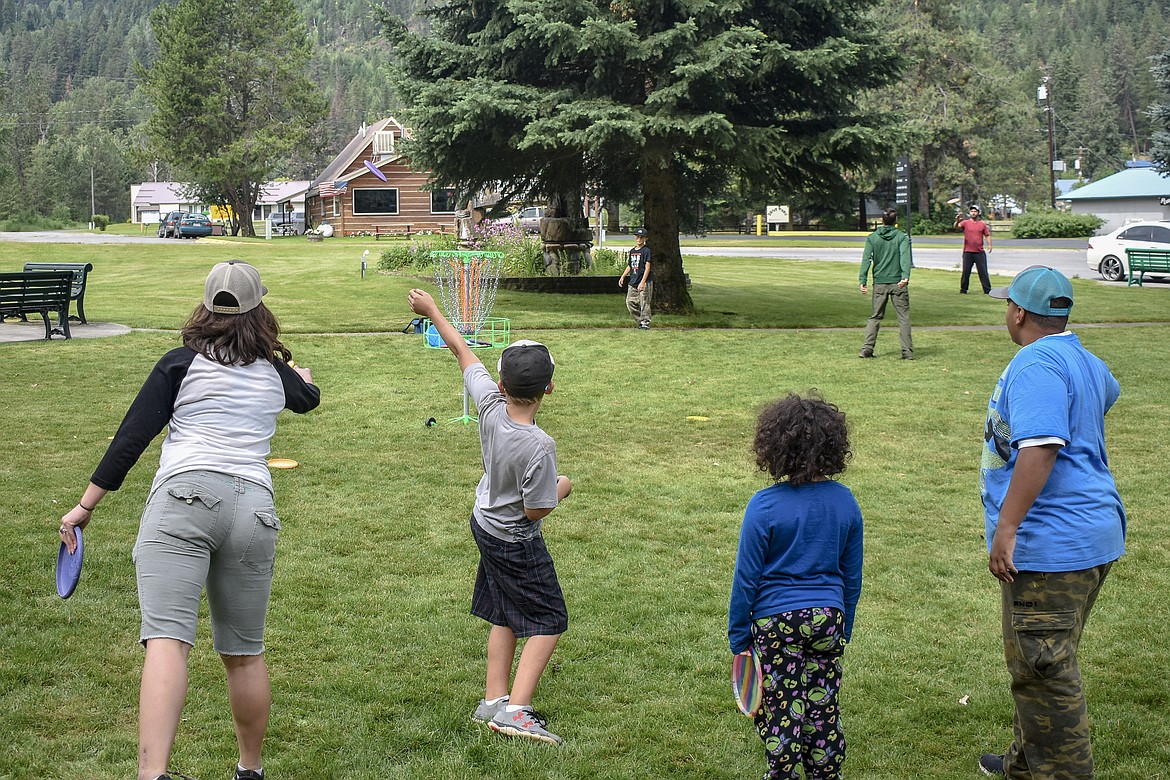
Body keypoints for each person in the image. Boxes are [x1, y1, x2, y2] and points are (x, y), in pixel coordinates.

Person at [58, 261, 321, 780]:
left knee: (167, 641)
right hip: (254, 512)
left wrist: (85, 507)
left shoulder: (180, 364)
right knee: (245, 653)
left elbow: (130, 440)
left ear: (206, 307)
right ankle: (250, 770)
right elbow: (308, 399)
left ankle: (152, 775)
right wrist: (300, 377)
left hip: (182, 499)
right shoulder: (276, 372)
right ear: (259, 308)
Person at [407, 288, 573, 745]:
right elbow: (536, 507)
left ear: (500, 386)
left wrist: (432, 310)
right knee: (548, 618)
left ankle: (494, 699)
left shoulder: (488, 406)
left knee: (505, 608)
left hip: (483, 523)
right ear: (549, 389)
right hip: (515, 538)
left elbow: (462, 349)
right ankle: (517, 711)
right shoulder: (540, 446)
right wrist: (563, 488)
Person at [977, 266, 1125, 778]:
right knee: (1040, 661)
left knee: (1045, 673)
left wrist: (1007, 528)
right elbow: (1109, 391)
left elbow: (1039, 449)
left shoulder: (1036, 363)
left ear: (1017, 312)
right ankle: (1023, 764)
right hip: (1091, 536)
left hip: (1051, 547)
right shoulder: (1079, 356)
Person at [728, 393, 864, 780]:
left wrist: (739, 638)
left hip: (775, 622)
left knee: (783, 706)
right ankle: (825, 771)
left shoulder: (764, 506)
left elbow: (746, 579)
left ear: (773, 448)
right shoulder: (845, 502)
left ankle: (783, 770)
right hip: (828, 618)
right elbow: (851, 575)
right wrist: (845, 625)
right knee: (823, 705)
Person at [858, 208, 913, 359]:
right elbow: (904, 257)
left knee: (875, 317)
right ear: (895, 221)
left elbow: (866, 259)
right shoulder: (901, 237)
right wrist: (905, 276)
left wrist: (863, 279)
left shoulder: (872, 238)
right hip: (898, 283)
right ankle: (907, 352)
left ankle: (867, 349)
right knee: (903, 318)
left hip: (880, 283)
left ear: (882, 220)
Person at [618, 227, 652, 329]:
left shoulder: (646, 251)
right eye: (637, 236)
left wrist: (643, 282)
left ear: (646, 239)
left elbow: (647, 267)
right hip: (633, 280)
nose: (639, 239)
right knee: (629, 302)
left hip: (644, 281)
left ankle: (645, 323)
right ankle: (640, 321)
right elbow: (630, 266)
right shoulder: (632, 251)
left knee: (644, 302)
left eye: (642, 237)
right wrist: (623, 276)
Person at [955, 204, 993, 294]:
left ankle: (987, 290)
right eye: (972, 211)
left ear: (978, 213)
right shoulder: (965, 223)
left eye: (975, 211)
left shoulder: (982, 224)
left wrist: (990, 245)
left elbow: (987, 235)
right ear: (969, 213)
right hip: (968, 252)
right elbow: (956, 227)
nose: (973, 213)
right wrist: (957, 221)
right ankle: (963, 290)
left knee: (983, 272)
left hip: (979, 252)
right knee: (966, 272)